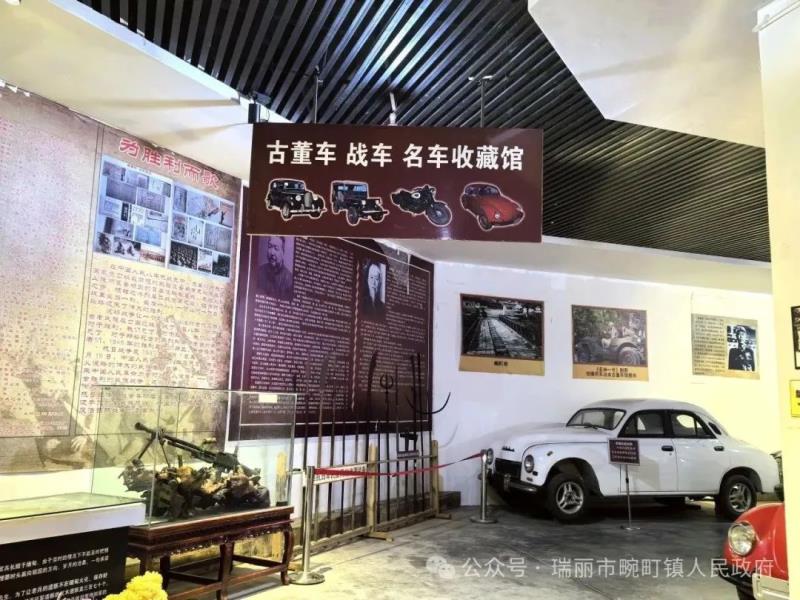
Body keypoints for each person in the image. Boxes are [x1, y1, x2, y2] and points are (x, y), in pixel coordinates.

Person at [258, 236, 293, 301]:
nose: (272, 252)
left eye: (276, 248)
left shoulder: (289, 280)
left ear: (283, 252)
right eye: (270, 247)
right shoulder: (259, 272)